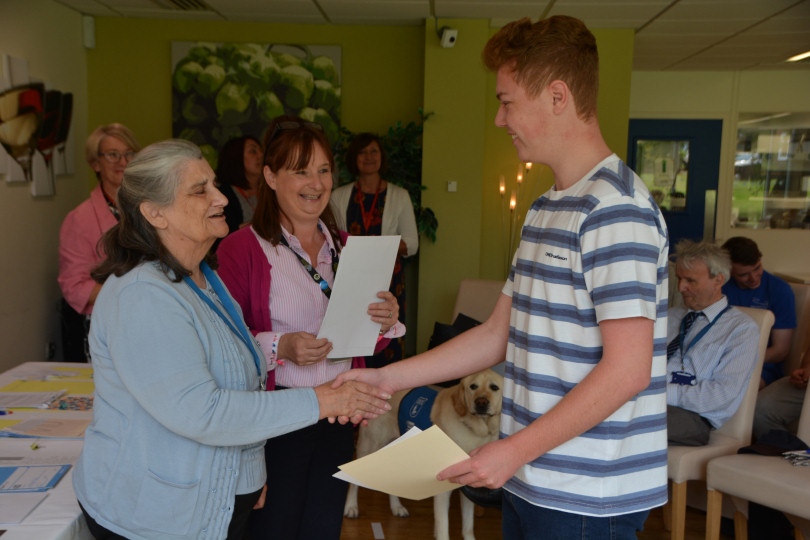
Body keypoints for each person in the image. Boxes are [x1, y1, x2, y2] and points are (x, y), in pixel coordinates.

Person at [336, 15, 669, 539]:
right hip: (531, 477)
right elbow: (497, 335)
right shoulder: (544, 210)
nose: (499, 119)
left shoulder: (615, 209)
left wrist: (512, 449)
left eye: (508, 101)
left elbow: (628, 370)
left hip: (585, 492)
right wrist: (388, 378)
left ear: (557, 96)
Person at [72, 139, 391, 540]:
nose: (221, 197)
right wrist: (324, 399)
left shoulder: (203, 277)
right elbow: (202, 411)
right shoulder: (142, 295)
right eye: (199, 190)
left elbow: (240, 379)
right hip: (155, 516)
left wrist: (246, 477)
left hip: (208, 499)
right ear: (155, 213)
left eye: (215, 184)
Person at [216, 116, 405, 540]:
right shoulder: (240, 248)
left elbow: (359, 333)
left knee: (322, 529)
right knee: (273, 529)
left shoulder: (348, 246)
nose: (315, 182)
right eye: (300, 170)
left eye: (322, 170)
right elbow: (224, 343)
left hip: (338, 415)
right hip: (276, 419)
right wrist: (280, 347)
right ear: (270, 176)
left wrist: (386, 320)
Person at [330, 133, 419, 367]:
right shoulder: (338, 196)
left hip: (389, 278)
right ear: (353, 158)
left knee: (386, 332)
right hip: (351, 275)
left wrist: (378, 245)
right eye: (362, 152)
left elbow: (412, 244)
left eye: (374, 151)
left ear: (382, 157)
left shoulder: (399, 196)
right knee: (353, 333)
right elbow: (331, 238)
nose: (368, 157)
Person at [57, 123, 141, 361]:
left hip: (149, 320)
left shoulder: (150, 209)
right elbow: (74, 286)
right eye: (113, 155)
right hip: (106, 327)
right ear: (96, 163)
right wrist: (132, 296)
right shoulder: (79, 219)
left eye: (129, 154)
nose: (123, 162)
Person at [666, 240, 760, 446]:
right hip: (647, 401)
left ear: (718, 280)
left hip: (692, 416)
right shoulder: (671, 317)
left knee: (618, 420)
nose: (681, 287)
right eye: (679, 278)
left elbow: (719, 395)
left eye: (690, 280)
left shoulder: (741, 330)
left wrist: (659, 391)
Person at [721, 236, 796, 387]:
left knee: (735, 389)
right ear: (728, 271)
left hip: (763, 365)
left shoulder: (779, 290)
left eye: (757, 268)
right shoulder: (721, 287)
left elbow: (781, 350)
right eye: (744, 275)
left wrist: (738, 361)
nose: (754, 278)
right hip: (720, 358)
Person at [753, 340, 810, 439]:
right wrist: (806, 371)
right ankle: (792, 450)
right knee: (759, 410)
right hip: (805, 388)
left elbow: (780, 350)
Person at [215, 135, 263, 235]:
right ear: (236, 157)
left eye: (261, 151)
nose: (261, 155)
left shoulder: (271, 190)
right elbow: (218, 236)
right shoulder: (224, 194)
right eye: (253, 151)